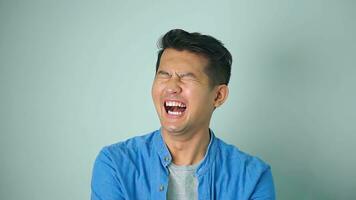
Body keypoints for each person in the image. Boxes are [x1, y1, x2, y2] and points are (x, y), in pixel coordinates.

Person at [91, 29, 275, 200]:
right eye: (164, 75)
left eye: (187, 77)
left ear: (218, 96)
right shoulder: (115, 164)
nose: (171, 87)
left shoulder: (253, 177)